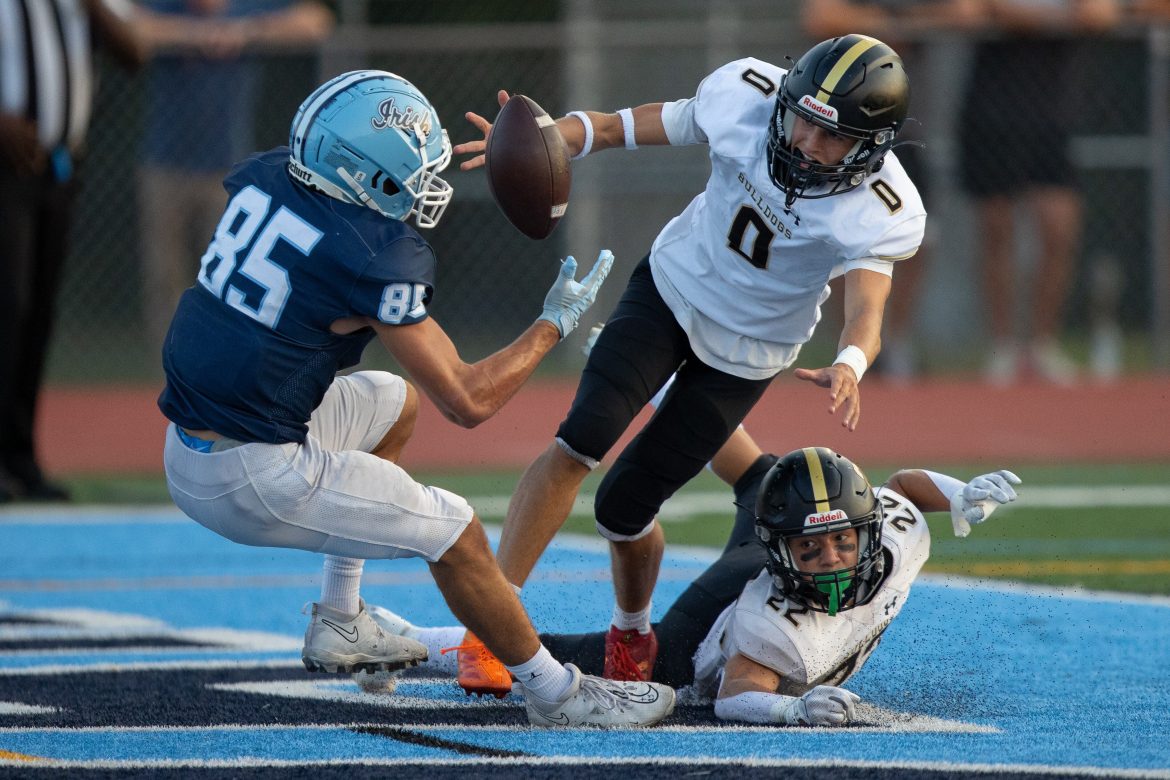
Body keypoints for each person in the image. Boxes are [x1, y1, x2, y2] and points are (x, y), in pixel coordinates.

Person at [156, 69, 677, 728]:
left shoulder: (269, 178)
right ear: (366, 175)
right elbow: (466, 400)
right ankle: (557, 693)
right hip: (251, 471)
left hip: (195, 439)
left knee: (392, 401)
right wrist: (552, 325)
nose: (426, 187)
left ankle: (342, 619)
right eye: (415, 171)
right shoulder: (366, 250)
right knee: (456, 530)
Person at [451, 34, 926, 694]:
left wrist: (850, 360)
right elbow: (634, 124)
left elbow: (867, 310)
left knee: (623, 509)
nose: (807, 144)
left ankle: (630, 632)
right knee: (580, 438)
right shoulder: (746, 97)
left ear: (871, 148)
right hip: (670, 289)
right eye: (803, 120)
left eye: (833, 137)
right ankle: (489, 629)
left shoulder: (881, 208)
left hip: (748, 352)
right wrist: (554, 135)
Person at [370, 434, 1021, 726]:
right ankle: (412, 642)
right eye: (812, 549)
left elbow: (904, 486)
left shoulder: (897, 534)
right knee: (547, 655)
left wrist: (959, 493)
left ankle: (673, 391)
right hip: (698, 638)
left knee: (761, 473)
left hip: (760, 565)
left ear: (870, 530)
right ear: (781, 550)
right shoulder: (775, 626)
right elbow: (740, 692)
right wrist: (792, 709)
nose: (831, 561)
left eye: (843, 541)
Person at [131, 0, 335, 358]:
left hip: (228, 172)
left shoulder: (248, 10)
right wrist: (194, 36)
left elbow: (317, 21)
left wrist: (245, 32)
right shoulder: (167, 8)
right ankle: (170, 363)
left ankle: (225, 360)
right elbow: (128, 25)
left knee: (232, 273)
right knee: (165, 276)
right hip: (164, 167)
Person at [0, 0, 145, 503]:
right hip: (5, 171)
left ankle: (20, 459)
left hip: (59, 170)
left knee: (37, 314)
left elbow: (135, 52)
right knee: (8, 309)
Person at [802, 0, 984, 380]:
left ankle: (894, 342)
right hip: (843, 132)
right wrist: (887, 27)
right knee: (838, 242)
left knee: (915, 241)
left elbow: (967, 12)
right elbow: (820, 16)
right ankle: (849, 344)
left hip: (907, 134)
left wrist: (911, 23)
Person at [957, 0, 1119, 384]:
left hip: (1052, 114)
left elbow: (1101, 14)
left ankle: (1043, 343)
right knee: (996, 231)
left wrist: (1028, 20)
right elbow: (972, 11)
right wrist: (1054, 20)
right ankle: (1003, 347)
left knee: (1059, 229)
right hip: (991, 110)